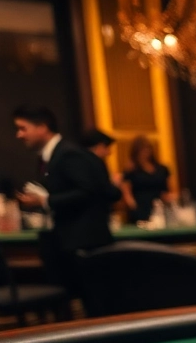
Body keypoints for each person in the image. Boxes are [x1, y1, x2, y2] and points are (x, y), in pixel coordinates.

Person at [12, 105, 122, 291]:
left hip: (84, 245)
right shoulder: (53, 155)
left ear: (43, 127)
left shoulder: (68, 153)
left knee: (93, 303)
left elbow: (87, 192)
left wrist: (44, 201)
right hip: (68, 243)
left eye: (23, 128)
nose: (19, 135)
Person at [119, 135, 173, 223]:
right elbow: (126, 192)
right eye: (143, 150)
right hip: (140, 207)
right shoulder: (131, 171)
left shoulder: (162, 169)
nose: (146, 152)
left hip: (160, 207)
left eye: (148, 148)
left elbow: (168, 189)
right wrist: (134, 207)